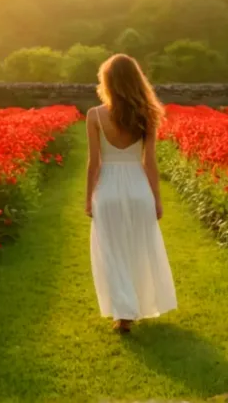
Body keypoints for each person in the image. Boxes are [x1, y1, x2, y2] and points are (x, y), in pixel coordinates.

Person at [85, 54, 177, 333]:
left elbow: (95, 162)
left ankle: (123, 313)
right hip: (138, 188)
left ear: (107, 82)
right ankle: (131, 308)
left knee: (112, 251)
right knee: (138, 248)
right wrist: (157, 198)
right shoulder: (148, 115)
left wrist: (89, 197)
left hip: (108, 189)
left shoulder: (95, 115)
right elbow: (149, 161)